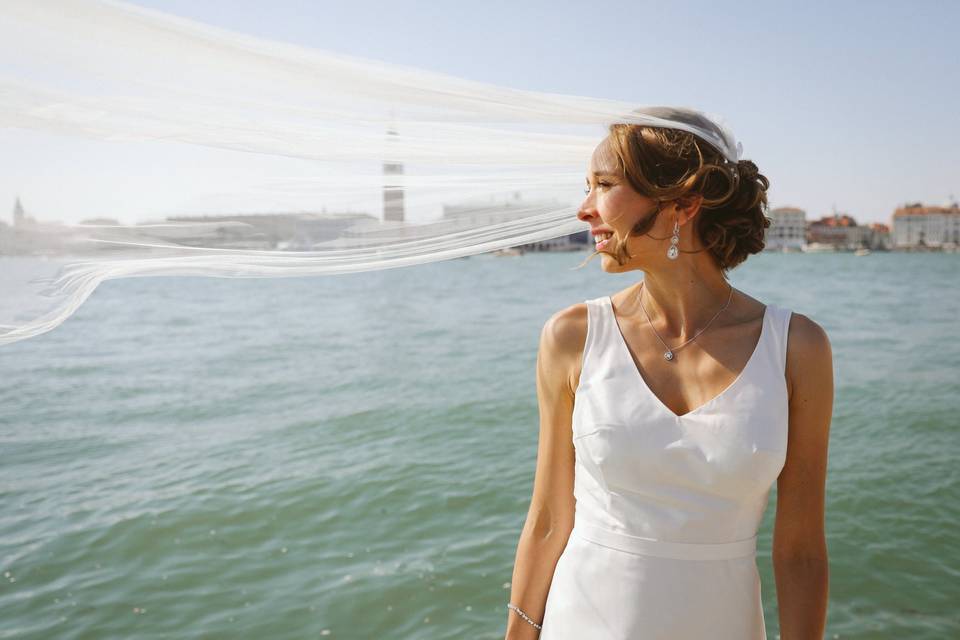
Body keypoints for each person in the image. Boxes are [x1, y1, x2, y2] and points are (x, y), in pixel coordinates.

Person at [504, 108, 833, 639]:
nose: (584, 209)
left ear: (682, 204)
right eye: (586, 187)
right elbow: (546, 522)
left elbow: (800, 550)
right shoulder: (571, 337)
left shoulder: (797, 348)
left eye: (604, 185)